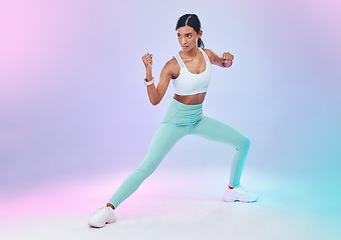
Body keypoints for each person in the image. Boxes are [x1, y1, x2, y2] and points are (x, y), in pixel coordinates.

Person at [88, 13, 258, 228]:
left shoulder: (208, 55)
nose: (184, 41)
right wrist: (148, 73)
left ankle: (232, 190)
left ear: (199, 34)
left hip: (198, 119)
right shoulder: (172, 64)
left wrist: (229, 58)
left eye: (188, 35)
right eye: (179, 36)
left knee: (243, 142)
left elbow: (225, 64)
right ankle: (109, 209)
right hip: (175, 122)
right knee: (147, 167)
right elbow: (155, 100)